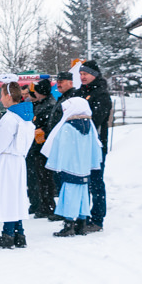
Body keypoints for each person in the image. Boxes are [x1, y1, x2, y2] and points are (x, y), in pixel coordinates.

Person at [41, 97, 103, 237]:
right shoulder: (90, 126)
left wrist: (58, 164)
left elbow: (61, 147)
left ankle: (69, 225)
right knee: (83, 195)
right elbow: (95, 146)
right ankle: (81, 223)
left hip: (70, 166)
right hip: (84, 167)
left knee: (69, 194)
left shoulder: (68, 127)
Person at [0, 81, 34, 249]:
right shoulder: (25, 116)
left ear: (8, 95)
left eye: (1, 95)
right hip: (18, 159)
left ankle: (8, 234)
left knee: (7, 197)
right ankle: (19, 233)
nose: (0, 99)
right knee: (16, 197)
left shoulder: (9, 118)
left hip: (6, 159)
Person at [79, 60, 112, 233]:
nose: (82, 77)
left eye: (86, 74)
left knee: (96, 181)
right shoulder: (81, 93)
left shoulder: (101, 95)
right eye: (81, 74)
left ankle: (97, 218)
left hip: (96, 144)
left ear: (95, 75)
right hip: (80, 144)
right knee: (82, 181)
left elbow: (95, 119)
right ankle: (83, 215)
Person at [25, 78, 58, 219]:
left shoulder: (49, 105)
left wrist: (40, 131)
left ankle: (47, 206)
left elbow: (49, 125)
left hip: (42, 147)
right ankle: (40, 204)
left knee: (45, 178)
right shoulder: (41, 104)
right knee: (37, 178)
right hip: (36, 147)